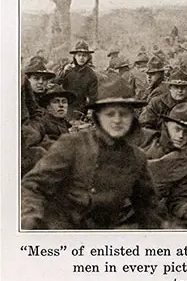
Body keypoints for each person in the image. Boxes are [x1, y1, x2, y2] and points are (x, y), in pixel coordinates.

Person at [21, 78, 163, 229]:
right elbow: (32, 186)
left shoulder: (136, 158)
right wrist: (32, 218)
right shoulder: (72, 144)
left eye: (124, 114)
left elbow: (148, 208)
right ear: (98, 116)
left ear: (132, 118)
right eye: (110, 114)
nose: (117, 120)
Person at [141, 103, 187, 229]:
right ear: (166, 126)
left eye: (185, 132)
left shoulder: (185, 163)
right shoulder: (145, 138)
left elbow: (179, 197)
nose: (180, 136)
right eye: (177, 129)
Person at [25, 85, 75, 150]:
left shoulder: (65, 124)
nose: (61, 105)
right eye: (56, 102)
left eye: (64, 102)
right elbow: (35, 144)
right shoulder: (42, 123)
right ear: (48, 107)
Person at [57, 41, 98, 119]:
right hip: (64, 108)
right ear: (74, 56)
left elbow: (93, 97)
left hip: (80, 110)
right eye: (79, 55)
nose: (81, 58)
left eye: (84, 55)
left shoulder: (91, 74)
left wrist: (90, 110)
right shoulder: (67, 69)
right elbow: (55, 83)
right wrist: (63, 72)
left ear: (88, 57)